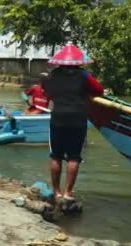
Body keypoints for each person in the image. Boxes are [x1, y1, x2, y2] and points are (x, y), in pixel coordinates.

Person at [42, 42, 103, 201]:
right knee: (74, 157)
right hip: (78, 118)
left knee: (56, 156)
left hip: (58, 118)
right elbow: (99, 90)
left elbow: (47, 92)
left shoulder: (53, 75)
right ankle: (68, 193)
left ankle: (56, 192)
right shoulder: (83, 75)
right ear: (78, 61)